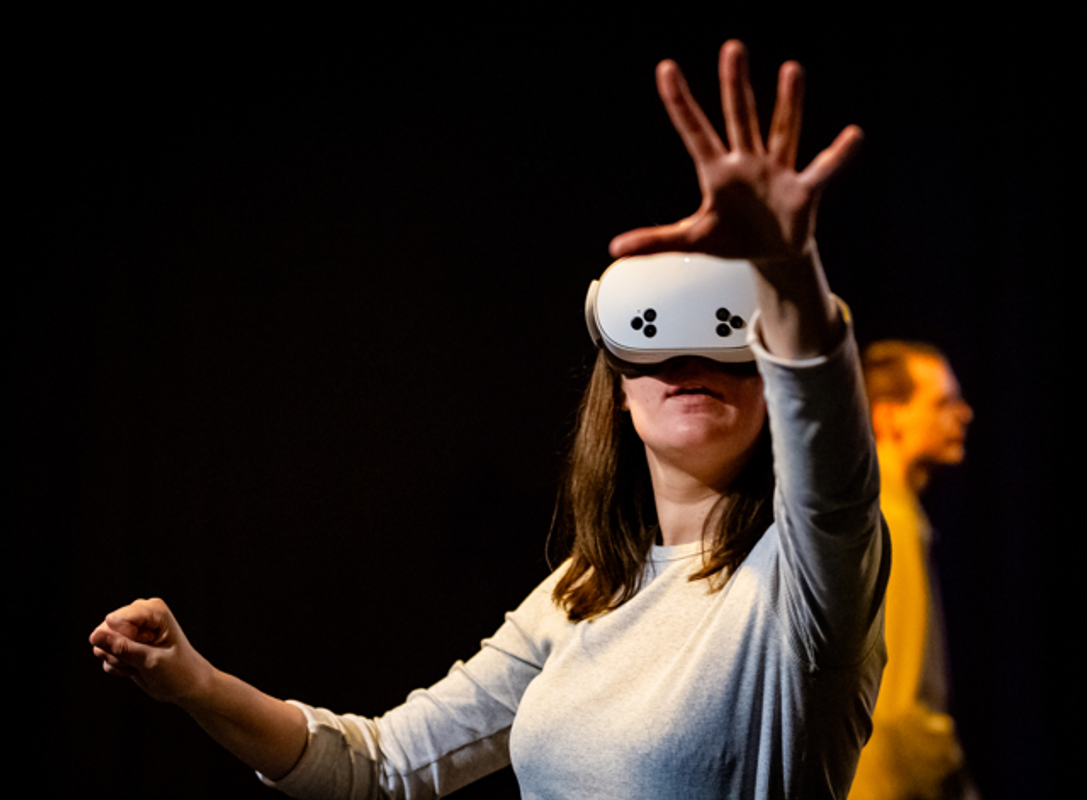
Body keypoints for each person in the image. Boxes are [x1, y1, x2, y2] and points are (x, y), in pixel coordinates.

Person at [90, 40, 888, 798]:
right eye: (652, 341)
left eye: (727, 341)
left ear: (770, 383)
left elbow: (834, 482)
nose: (690, 362)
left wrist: (789, 271)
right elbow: (383, 766)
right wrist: (196, 684)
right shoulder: (582, 594)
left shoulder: (804, 579)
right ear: (617, 389)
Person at [850, 341, 978, 800]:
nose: (963, 414)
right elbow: (898, 708)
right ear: (889, 418)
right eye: (942, 403)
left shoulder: (866, 509)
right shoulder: (892, 519)